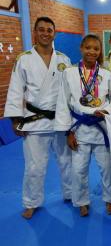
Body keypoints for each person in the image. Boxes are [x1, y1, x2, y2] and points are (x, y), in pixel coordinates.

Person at [4, 16, 72, 219]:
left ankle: (71, 194)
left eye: (49, 30)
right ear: (35, 32)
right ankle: (31, 202)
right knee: (34, 166)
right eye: (41, 29)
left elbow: (70, 91)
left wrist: (73, 120)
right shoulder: (24, 59)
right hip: (34, 121)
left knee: (67, 161)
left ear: (54, 33)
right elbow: (16, 89)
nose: (45, 33)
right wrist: (15, 119)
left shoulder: (63, 59)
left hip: (60, 120)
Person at [55, 34, 111, 217]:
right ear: (81, 48)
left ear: (100, 51)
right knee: (78, 170)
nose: (92, 52)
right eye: (88, 48)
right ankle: (81, 201)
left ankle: (110, 200)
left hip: (101, 129)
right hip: (79, 129)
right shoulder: (68, 73)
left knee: (107, 169)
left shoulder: (107, 75)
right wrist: (68, 131)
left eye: (96, 48)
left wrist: (107, 110)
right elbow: (63, 103)